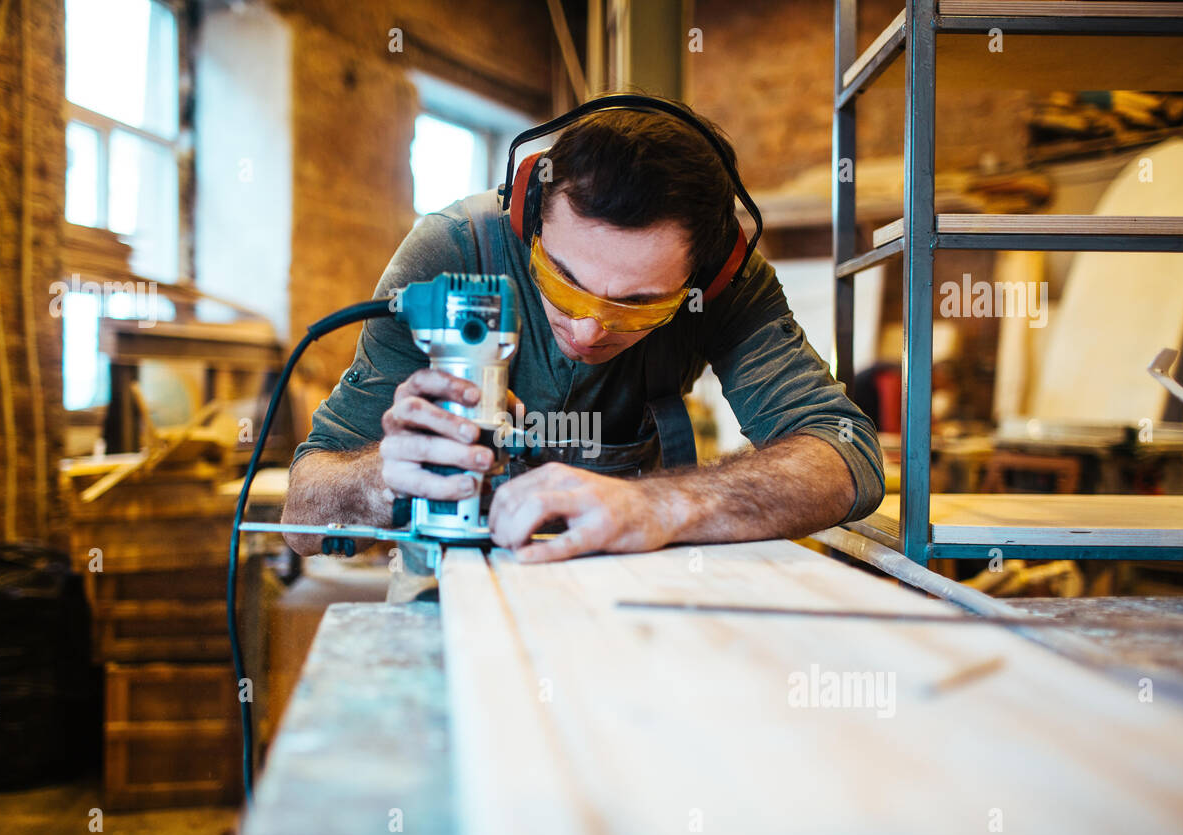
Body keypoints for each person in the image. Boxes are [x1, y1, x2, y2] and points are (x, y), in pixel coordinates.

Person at [283, 95, 884, 563]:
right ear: (528, 217)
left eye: (638, 304)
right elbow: (301, 520)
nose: (591, 328)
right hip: (458, 595)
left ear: (706, 273)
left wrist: (660, 504)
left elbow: (846, 454)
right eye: (564, 282)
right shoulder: (452, 254)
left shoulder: (729, 281)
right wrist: (383, 475)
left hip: (634, 593)